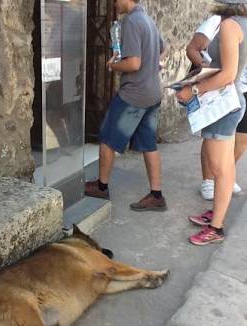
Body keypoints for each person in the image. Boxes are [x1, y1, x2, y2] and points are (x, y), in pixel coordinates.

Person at [84, 0, 167, 212]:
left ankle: (101, 187)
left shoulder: (131, 21)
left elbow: (133, 64)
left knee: (106, 138)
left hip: (134, 95)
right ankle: (156, 195)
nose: (113, 2)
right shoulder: (148, 20)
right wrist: (152, 63)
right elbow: (162, 50)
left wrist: (112, 65)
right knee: (149, 143)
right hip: (152, 93)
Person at [176, 0, 247, 245]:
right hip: (231, 101)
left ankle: (216, 228)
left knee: (221, 168)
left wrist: (193, 90)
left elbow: (227, 74)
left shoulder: (229, 25)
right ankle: (217, 214)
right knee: (224, 166)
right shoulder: (241, 24)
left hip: (224, 104)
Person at [187, 13, 247, 200]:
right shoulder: (220, 21)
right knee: (214, 137)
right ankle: (210, 180)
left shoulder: (241, 24)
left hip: (240, 88)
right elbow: (193, 49)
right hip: (222, 89)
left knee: (240, 139)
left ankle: (223, 177)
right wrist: (206, 70)